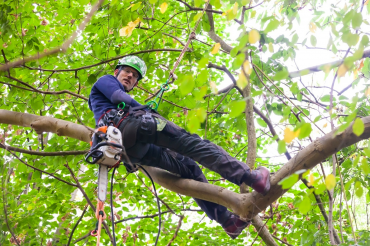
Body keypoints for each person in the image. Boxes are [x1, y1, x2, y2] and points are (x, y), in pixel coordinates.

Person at [88, 55, 271, 239]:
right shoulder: (106, 81)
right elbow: (118, 96)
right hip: (129, 128)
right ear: (116, 72)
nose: (130, 76)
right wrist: (148, 111)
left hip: (131, 150)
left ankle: (227, 221)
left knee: (189, 166)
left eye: (134, 75)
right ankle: (249, 176)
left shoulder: (113, 104)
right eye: (127, 71)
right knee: (192, 144)